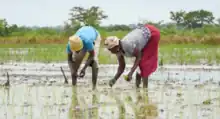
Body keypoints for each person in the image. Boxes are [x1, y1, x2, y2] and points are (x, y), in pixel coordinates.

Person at [104, 24, 160, 88]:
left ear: (116, 47)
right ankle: (137, 87)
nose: (110, 51)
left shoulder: (128, 45)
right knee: (140, 64)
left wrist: (131, 72)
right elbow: (122, 66)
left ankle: (145, 89)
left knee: (144, 64)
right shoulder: (118, 50)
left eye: (110, 49)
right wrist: (114, 79)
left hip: (152, 34)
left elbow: (139, 56)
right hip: (143, 31)